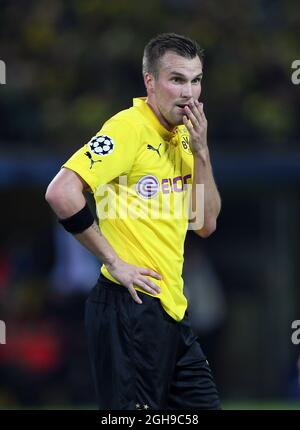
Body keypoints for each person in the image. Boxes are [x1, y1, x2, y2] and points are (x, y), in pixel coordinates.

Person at [45, 33, 222, 410]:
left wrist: (203, 153)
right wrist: (114, 262)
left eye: (196, 79)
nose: (189, 92)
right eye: (177, 79)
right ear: (150, 82)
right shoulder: (128, 129)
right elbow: (61, 192)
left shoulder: (185, 138)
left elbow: (204, 224)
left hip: (171, 307)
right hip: (129, 306)